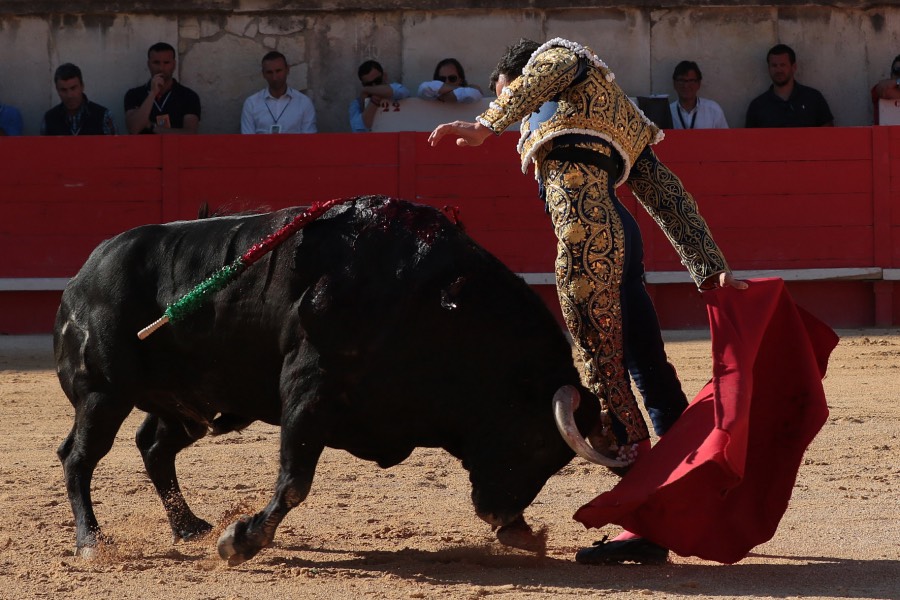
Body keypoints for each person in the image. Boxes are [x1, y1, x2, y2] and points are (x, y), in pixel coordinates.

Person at [429, 37, 747, 565]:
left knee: (606, 370)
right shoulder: (615, 109)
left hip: (589, 234)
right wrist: (710, 265)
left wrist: (487, 125)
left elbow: (546, 72)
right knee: (647, 366)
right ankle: (687, 491)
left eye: (509, 90)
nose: (516, 103)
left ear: (520, 74)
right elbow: (664, 192)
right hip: (621, 233)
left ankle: (646, 519)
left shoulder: (559, 60)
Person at [745, 44, 834, 128]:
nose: (778, 70)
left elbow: (829, 136)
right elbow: (748, 141)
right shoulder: (758, 106)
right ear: (768, 68)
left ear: (794, 67)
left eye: (783, 65)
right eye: (774, 66)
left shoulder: (813, 99)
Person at [124, 42, 201, 135]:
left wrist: (152, 127)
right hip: (143, 149)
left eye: (166, 63)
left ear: (174, 64)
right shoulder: (134, 94)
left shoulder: (188, 96)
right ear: (149, 64)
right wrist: (152, 93)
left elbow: (190, 134)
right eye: (156, 62)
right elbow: (134, 129)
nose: (161, 68)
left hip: (177, 149)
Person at [241, 51, 316, 134]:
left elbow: (309, 141)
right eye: (269, 72)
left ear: (287, 70)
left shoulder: (304, 103)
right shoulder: (251, 104)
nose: (274, 77)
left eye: (278, 71)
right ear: (263, 74)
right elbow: (247, 141)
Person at [40, 63, 116, 136]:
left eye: (73, 88)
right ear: (57, 90)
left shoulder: (104, 116)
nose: (69, 95)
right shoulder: (49, 119)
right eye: (63, 90)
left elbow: (116, 147)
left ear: (82, 86)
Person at [350, 60, 410, 132]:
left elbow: (403, 93)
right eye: (369, 84)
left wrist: (367, 90)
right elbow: (360, 130)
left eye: (377, 81)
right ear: (363, 85)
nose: (374, 86)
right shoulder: (356, 104)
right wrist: (373, 101)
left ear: (384, 76)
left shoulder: (395, 88)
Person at [669, 61, 728, 129]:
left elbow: (725, 138)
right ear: (674, 84)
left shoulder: (714, 110)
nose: (686, 85)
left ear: (699, 84)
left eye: (691, 81)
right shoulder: (668, 112)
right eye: (681, 80)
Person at [417, 58, 483, 104]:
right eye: (442, 79)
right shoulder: (430, 94)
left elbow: (471, 94)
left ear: (460, 80)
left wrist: (446, 96)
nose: (447, 82)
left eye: (452, 78)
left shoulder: (469, 91)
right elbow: (424, 88)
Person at [869, 54, 900, 124]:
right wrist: (898, 82)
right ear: (891, 74)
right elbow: (885, 91)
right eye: (897, 72)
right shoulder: (882, 88)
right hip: (885, 134)